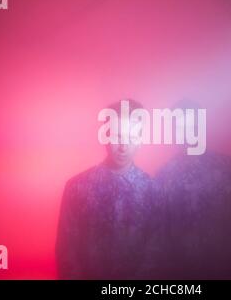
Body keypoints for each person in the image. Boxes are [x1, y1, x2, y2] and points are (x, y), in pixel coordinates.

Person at [154, 100, 231, 279]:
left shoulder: (227, 168)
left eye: (191, 125)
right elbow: (162, 233)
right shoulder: (164, 175)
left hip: (228, 269)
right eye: (180, 127)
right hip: (183, 273)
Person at [55, 99, 156, 279]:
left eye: (131, 137)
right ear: (106, 137)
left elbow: (155, 254)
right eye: (117, 136)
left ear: (140, 140)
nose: (123, 146)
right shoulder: (77, 187)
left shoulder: (152, 190)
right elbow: (66, 252)